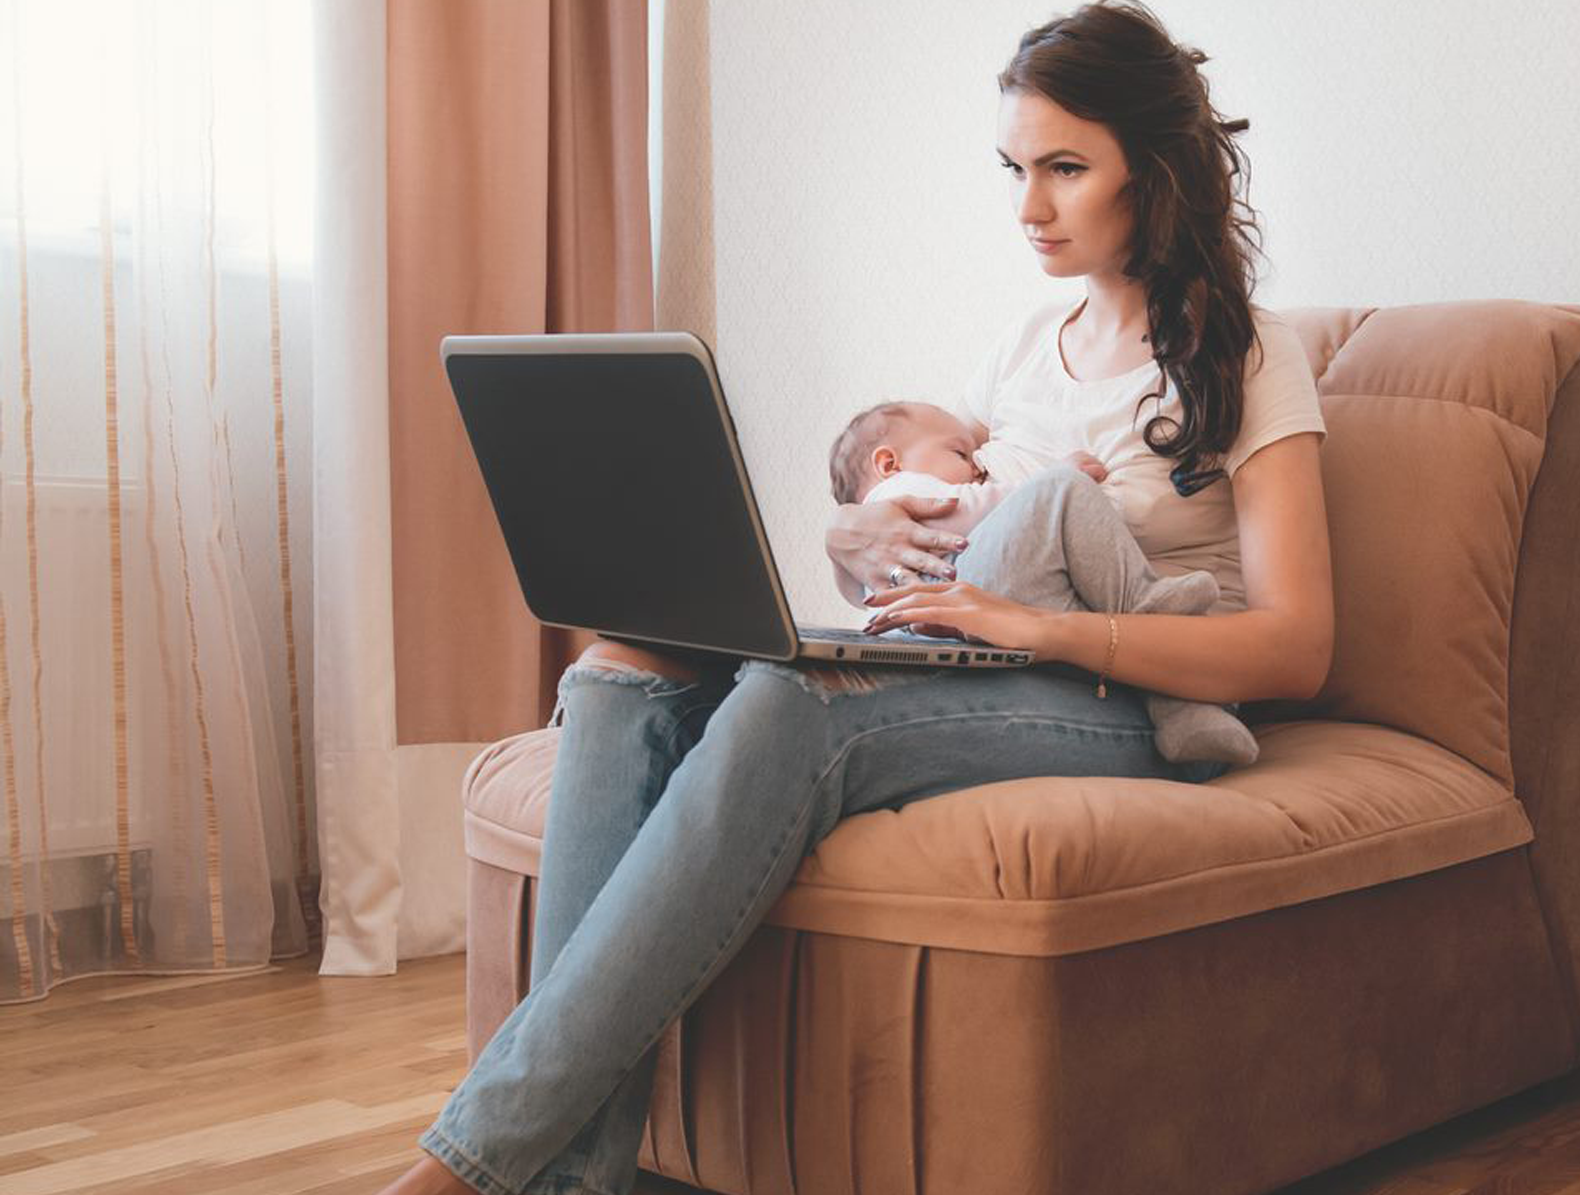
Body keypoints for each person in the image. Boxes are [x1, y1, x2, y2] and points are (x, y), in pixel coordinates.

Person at [377, 3, 1330, 1192]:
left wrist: (1036, 626)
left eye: (1066, 170)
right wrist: (857, 543)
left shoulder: (1247, 352)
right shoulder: (1027, 343)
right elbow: (960, 542)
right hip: (984, 663)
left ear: (1159, 168)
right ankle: (575, 1180)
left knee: (792, 709)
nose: (1029, 208)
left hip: (1129, 697)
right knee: (624, 667)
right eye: (1017, 170)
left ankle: (471, 1164)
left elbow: (1295, 649)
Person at [829, 399, 1260, 765]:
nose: (979, 469)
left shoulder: (868, 550)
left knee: (1082, 628)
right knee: (1061, 490)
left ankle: (1178, 705)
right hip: (970, 591)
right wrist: (1050, 475)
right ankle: (1152, 607)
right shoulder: (900, 495)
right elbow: (963, 508)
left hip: (967, 633)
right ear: (889, 463)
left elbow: (852, 592)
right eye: (962, 454)